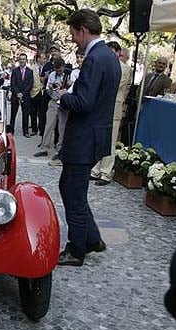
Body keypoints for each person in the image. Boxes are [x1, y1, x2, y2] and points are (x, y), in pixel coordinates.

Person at [56, 9, 121, 267]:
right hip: (94, 136)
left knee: (72, 192)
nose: (73, 40)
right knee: (72, 189)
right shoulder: (110, 56)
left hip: (83, 138)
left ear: (83, 29)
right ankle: (92, 238)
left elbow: (83, 101)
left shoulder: (95, 58)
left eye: (73, 34)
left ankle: (76, 249)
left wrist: (63, 96)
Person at [90, 41, 131, 185]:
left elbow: (114, 85)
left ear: (118, 52)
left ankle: (106, 173)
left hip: (114, 108)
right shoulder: (104, 65)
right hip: (101, 108)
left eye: (112, 51)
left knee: (110, 141)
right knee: (100, 139)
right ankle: (96, 169)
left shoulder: (124, 69)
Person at [35, 58, 68, 158]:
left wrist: (64, 88)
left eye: (60, 70)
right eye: (57, 70)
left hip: (64, 103)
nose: (58, 72)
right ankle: (44, 147)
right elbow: (48, 91)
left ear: (63, 67)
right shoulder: (52, 75)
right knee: (49, 125)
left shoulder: (68, 75)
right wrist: (50, 88)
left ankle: (60, 149)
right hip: (53, 102)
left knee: (62, 128)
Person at [9, 53, 33, 137]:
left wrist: (22, 93)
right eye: (21, 59)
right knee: (13, 114)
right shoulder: (15, 71)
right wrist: (17, 93)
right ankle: (11, 131)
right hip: (15, 96)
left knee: (25, 114)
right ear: (18, 61)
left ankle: (25, 131)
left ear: (26, 60)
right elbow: (13, 83)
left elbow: (30, 84)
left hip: (25, 96)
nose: (22, 61)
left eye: (24, 59)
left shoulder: (30, 72)